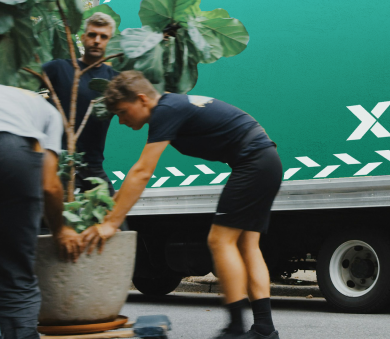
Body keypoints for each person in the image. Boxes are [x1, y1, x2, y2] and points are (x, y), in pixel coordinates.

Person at [80, 71, 282, 339]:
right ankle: (264, 329)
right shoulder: (172, 106)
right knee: (246, 245)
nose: (120, 119)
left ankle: (235, 329)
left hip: (254, 162)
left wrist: (111, 224)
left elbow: (142, 171)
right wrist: (111, 207)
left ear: (141, 99)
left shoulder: (165, 110)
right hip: (264, 160)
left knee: (219, 241)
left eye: (122, 111)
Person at [0, 84, 81, 339]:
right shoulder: (47, 111)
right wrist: (61, 230)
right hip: (16, 156)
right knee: (15, 273)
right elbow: (50, 185)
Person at [43, 12, 119, 196]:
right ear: (83, 37)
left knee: (113, 222)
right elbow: (23, 86)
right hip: (58, 164)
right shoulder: (59, 68)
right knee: (52, 222)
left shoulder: (115, 80)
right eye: (92, 35)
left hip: (93, 166)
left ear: (109, 41)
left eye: (103, 37)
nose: (97, 41)